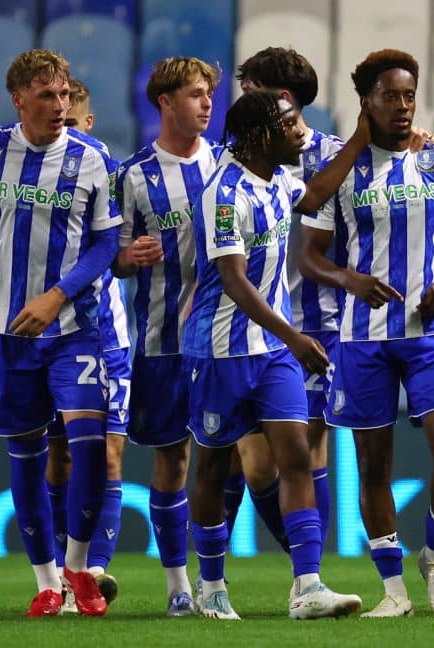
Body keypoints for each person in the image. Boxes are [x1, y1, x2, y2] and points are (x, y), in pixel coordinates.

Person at [298, 49, 434, 618]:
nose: (402, 106)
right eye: (390, 96)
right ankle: (394, 592)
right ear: (366, 102)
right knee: (374, 467)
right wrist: (348, 279)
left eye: (409, 95)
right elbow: (307, 257)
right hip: (360, 337)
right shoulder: (341, 173)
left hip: (430, 332)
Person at [182, 91, 368, 621]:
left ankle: (307, 587)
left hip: (272, 353)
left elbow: (314, 196)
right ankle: (212, 584)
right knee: (214, 468)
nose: (300, 132)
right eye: (291, 124)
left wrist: (359, 136)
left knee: (295, 457)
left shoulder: (281, 182)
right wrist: (294, 336)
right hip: (220, 349)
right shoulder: (224, 193)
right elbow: (235, 282)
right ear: (262, 134)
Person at [0, 48, 119, 617]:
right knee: (26, 453)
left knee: (90, 446)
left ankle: (78, 567)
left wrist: (57, 294)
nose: (60, 106)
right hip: (7, 334)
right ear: (19, 99)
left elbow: (106, 244)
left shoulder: (93, 157)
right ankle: (47, 582)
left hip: (74, 328)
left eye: (65, 95)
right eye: (47, 96)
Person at [218, 47, 346, 555]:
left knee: (309, 452)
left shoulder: (337, 156)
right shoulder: (236, 158)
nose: (241, 101)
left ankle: (311, 571)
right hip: (251, 323)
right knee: (250, 460)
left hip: (320, 322)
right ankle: (213, 578)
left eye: (250, 90)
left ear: (281, 98)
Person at [111, 57, 223, 617]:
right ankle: (179, 584)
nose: (207, 105)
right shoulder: (132, 177)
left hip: (227, 342)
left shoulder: (228, 166)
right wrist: (127, 257)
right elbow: (111, 255)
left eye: (209, 96)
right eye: (197, 95)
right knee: (174, 462)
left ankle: (219, 580)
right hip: (162, 344)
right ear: (165, 101)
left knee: (234, 460)